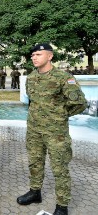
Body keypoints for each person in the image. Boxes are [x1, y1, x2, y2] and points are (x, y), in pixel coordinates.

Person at [17, 43, 87, 215]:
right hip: (34, 130)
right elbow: (32, 101)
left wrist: (60, 115)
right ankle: (35, 192)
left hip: (56, 133)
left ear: (50, 56)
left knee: (59, 168)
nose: (34, 57)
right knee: (35, 162)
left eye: (38, 54)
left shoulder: (63, 77)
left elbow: (80, 103)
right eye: (32, 55)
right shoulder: (31, 77)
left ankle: (62, 206)